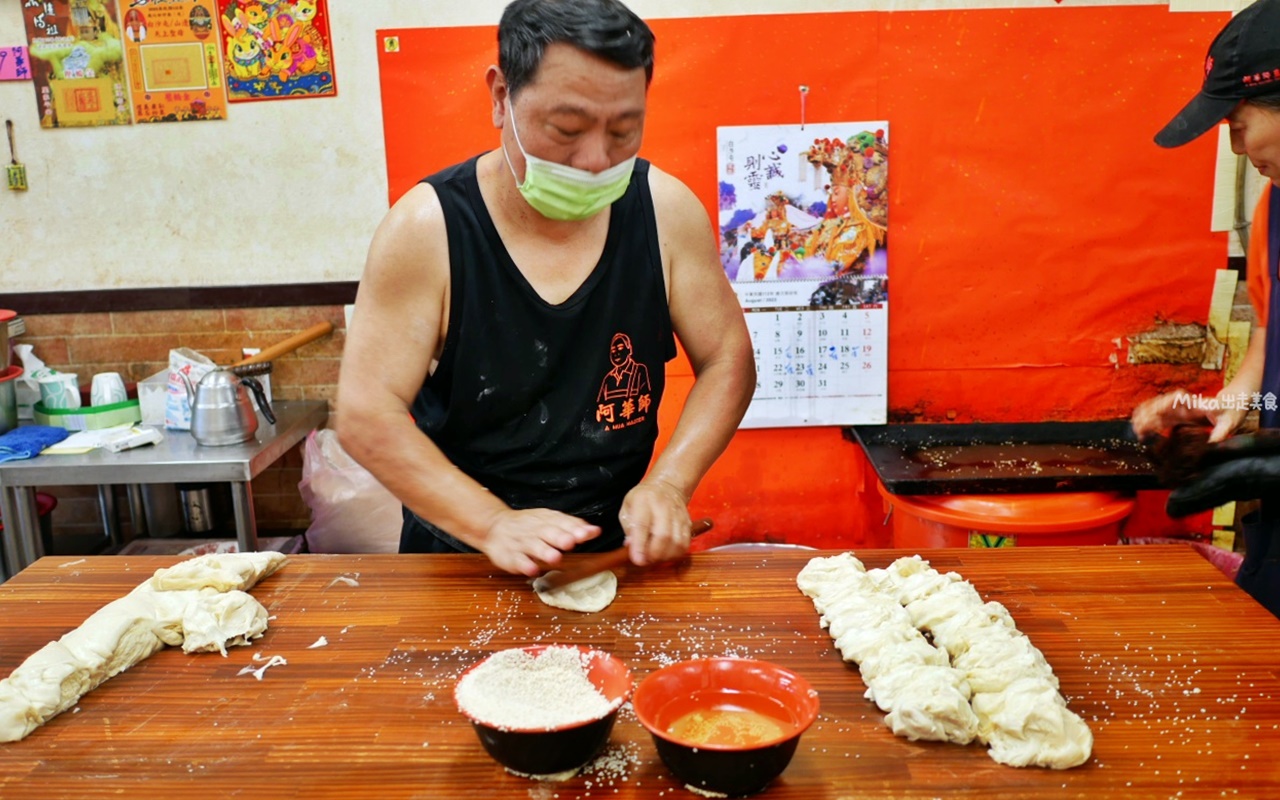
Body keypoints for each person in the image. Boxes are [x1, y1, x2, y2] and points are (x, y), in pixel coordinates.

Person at [336, 0, 755, 578]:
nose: (594, 160)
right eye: (567, 129)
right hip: (464, 557)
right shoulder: (427, 231)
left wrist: (670, 483)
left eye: (623, 130)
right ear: (500, 97)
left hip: (617, 553)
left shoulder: (665, 211)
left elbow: (728, 357)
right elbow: (366, 415)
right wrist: (489, 523)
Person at [1132, 0, 1280, 616]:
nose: (1240, 148)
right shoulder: (1274, 209)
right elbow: (1272, 338)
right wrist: (1228, 404)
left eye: (1239, 125)